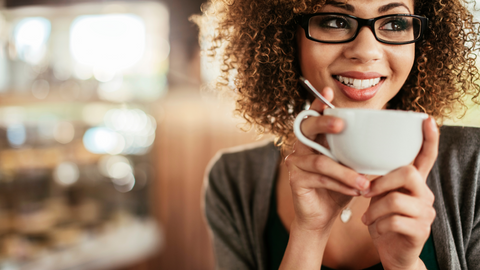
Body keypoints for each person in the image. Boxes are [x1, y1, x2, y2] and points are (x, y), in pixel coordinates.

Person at [194, 0, 480, 269]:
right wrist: (309, 233)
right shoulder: (232, 180)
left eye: (395, 23)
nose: (367, 51)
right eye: (335, 21)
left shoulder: (475, 167)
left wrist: (406, 265)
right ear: (285, 35)